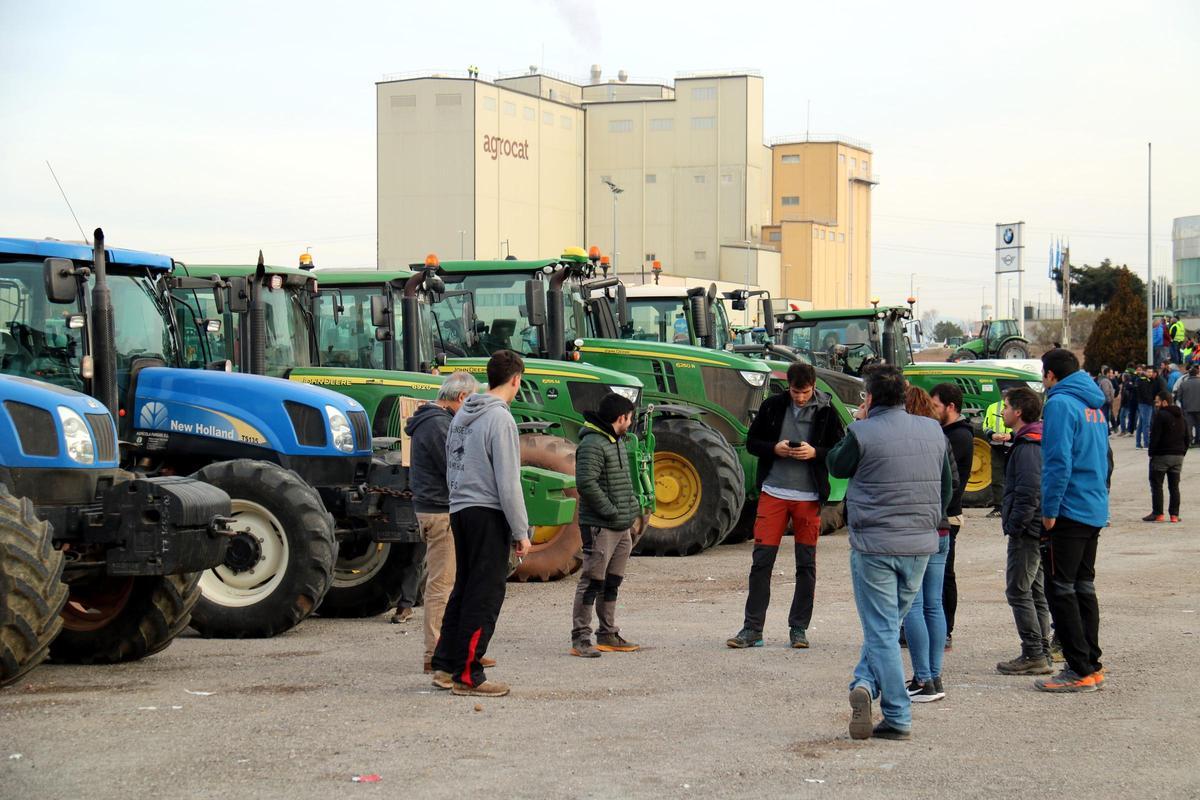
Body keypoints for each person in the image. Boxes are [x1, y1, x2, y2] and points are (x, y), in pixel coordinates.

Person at [828, 365, 953, 740]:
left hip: (875, 546)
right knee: (888, 624)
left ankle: (898, 715)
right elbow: (945, 488)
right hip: (920, 545)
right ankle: (865, 683)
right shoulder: (933, 430)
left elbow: (836, 464)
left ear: (869, 398)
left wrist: (860, 422)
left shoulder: (861, 432)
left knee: (880, 630)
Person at [431, 351, 531, 698]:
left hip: (459, 507)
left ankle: (444, 665)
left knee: (463, 589)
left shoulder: (462, 415)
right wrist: (521, 530)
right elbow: (508, 481)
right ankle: (469, 675)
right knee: (484, 595)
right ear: (516, 379)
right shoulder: (500, 420)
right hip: (488, 510)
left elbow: (451, 463)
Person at [727, 362, 845, 650]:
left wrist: (816, 452)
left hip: (808, 498)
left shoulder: (828, 411)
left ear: (814, 386)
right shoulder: (772, 406)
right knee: (761, 562)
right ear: (788, 386)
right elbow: (752, 442)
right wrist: (774, 448)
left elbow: (841, 452)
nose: (800, 398)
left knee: (806, 564)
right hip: (774, 493)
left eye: (805, 392)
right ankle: (752, 629)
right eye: (795, 391)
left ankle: (799, 629)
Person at [404, 371, 493, 675]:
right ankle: (435, 653)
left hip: (438, 509)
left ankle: (453, 649)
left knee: (450, 582)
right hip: (439, 512)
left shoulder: (433, 422)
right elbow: (455, 465)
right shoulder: (439, 425)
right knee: (442, 584)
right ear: (461, 398)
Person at [1036, 348, 1109, 693]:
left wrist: (1049, 510)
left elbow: (1057, 461)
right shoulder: (1094, 405)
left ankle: (1078, 668)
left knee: (1060, 589)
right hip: (1092, 506)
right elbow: (1105, 458)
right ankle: (1091, 662)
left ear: (1050, 375)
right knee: (1083, 586)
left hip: (1068, 509)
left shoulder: (1060, 404)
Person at [570, 392, 643, 657]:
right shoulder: (593, 444)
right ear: (621, 418)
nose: (631, 422)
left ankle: (607, 633)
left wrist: (631, 509)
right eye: (630, 418)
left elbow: (624, 481)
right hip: (601, 525)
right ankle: (580, 638)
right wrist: (611, 511)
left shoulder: (616, 441)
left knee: (612, 581)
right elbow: (586, 484)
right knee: (592, 581)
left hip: (620, 525)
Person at [995, 387, 1053, 676]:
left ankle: (1034, 652)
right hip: (1035, 527)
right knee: (1035, 589)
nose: (1002, 411)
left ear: (1018, 411)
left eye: (1006, 407)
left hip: (1027, 530)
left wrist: (1016, 524)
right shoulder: (1032, 440)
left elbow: (1029, 491)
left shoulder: (1028, 446)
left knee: (1019, 590)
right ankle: (1041, 648)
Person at [901, 386, 953, 702]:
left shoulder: (906, 440)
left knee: (915, 606)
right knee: (934, 604)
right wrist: (938, 513)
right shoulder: (939, 436)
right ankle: (934, 676)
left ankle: (922, 678)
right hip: (941, 528)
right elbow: (949, 485)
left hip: (917, 532)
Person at [929, 383, 975, 649]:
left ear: (951, 407)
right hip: (940, 513)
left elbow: (947, 478)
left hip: (949, 515)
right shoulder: (944, 432)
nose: (932, 411)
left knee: (944, 574)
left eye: (936, 406)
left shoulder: (959, 437)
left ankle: (945, 629)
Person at [1145, 390, 1189, 523]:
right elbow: (1187, 437)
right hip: (1178, 456)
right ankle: (1174, 515)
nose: (1156, 404)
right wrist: (1182, 452)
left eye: (1157, 402)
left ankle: (1158, 514)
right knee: (1174, 487)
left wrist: (1151, 453)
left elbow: (1155, 437)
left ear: (1165, 402)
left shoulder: (1161, 415)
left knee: (1157, 485)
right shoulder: (1181, 415)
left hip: (1162, 455)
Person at [982, 392, 1013, 517]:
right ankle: (999, 507)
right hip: (997, 447)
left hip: (1014, 447)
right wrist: (992, 435)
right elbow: (985, 425)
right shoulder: (992, 407)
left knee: (1015, 477)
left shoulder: (1018, 408)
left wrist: (1011, 436)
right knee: (997, 478)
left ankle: (1012, 507)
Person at [1135, 364, 1164, 449]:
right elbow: (1145, 394)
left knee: (1141, 424)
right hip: (1146, 404)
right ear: (1144, 372)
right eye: (1148, 372)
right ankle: (1147, 444)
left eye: (1151, 372)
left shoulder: (1146, 380)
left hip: (1143, 404)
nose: (1150, 373)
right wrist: (1152, 401)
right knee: (1146, 424)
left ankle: (1138, 443)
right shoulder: (1143, 381)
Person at [1174, 365, 1200, 446]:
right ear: (1197, 374)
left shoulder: (1183, 384)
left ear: (1189, 374)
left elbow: (1179, 397)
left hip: (1187, 408)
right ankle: (1198, 441)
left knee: (1188, 426)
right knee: (1199, 425)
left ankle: (1189, 441)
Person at [1119, 366, 1138, 436]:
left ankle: (1124, 430)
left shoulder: (1127, 384)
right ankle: (1128, 429)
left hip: (1126, 403)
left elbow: (1126, 395)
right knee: (1130, 416)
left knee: (1123, 416)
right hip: (1127, 402)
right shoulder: (1129, 384)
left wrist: (1123, 403)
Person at [1094, 367, 1115, 433]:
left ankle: (1106, 431)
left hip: (1105, 402)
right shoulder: (1105, 381)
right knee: (1105, 417)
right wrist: (1109, 401)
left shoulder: (1105, 380)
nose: (1112, 374)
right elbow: (1106, 392)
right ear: (1107, 373)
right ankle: (1105, 431)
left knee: (1106, 417)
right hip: (1106, 403)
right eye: (1111, 373)